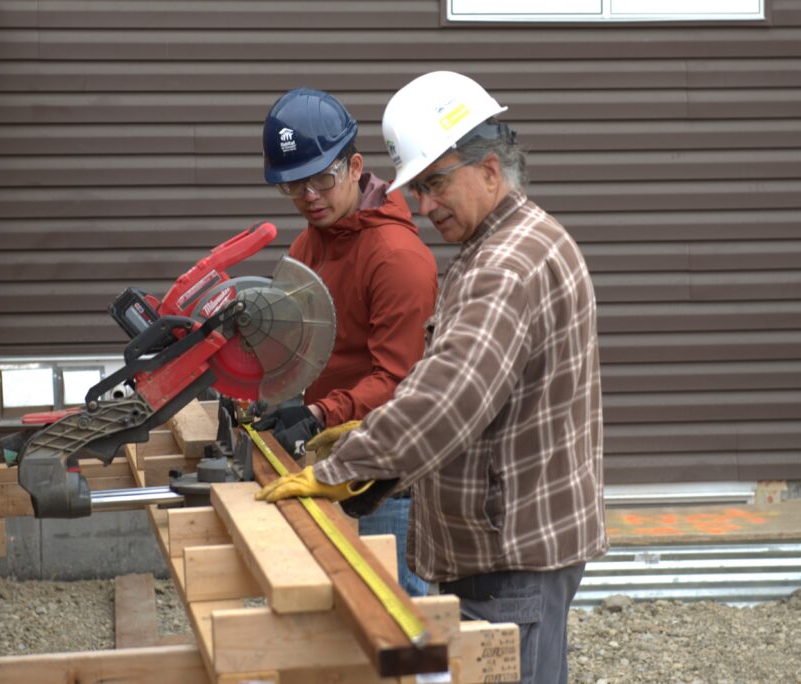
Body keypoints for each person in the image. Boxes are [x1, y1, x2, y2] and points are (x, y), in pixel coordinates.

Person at [256, 71, 608, 684]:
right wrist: (360, 435)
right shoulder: (517, 242)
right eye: (417, 188)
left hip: (508, 553)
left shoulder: (505, 267)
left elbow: (448, 399)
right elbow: (447, 381)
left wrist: (338, 469)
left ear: (490, 170)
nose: (424, 206)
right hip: (517, 541)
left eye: (436, 183)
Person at [253, 87, 438, 597]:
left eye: (322, 178)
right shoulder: (308, 245)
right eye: (293, 184)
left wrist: (317, 413)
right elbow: (292, 343)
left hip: (388, 480)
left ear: (355, 167)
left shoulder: (397, 258)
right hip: (332, 459)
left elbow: (399, 382)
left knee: (393, 612)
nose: (309, 196)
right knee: (336, 606)